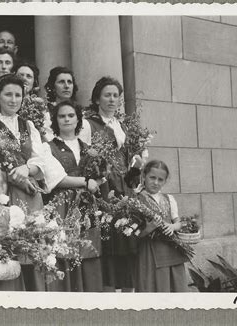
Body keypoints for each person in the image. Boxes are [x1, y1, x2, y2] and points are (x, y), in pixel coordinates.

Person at [0, 74, 67, 290]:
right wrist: (13, 175)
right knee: (6, 249)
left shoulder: (28, 125)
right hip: (1, 195)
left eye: (18, 95)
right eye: (8, 94)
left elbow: (41, 161)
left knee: (34, 249)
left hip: (30, 195)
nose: (13, 99)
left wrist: (27, 168)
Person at [78, 76, 142, 292]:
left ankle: (128, 293)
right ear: (97, 98)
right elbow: (82, 157)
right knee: (109, 240)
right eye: (107, 95)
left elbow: (129, 158)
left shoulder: (123, 126)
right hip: (103, 189)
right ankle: (108, 294)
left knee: (127, 239)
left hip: (125, 189)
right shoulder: (88, 124)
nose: (112, 99)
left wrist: (136, 165)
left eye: (116, 96)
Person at [45, 100, 104, 292]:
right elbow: (55, 179)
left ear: (78, 119)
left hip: (86, 206)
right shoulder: (48, 147)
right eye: (61, 116)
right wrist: (85, 182)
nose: (66, 119)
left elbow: (100, 177)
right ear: (55, 120)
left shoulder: (89, 147)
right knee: (65, 250)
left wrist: (97, 181)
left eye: (71, 115)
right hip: (62, 204)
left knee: (88, 248)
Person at [135, 160, 188, 292]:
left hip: (172, 250)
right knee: (153, 286)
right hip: (149, 252)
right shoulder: (136, 199)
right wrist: (149, 228)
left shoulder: (168, 198)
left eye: (160, 179)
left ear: (165, 181)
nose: (156, 182)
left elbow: (179, 223)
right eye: (152, 177)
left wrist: (172, 227)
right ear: (144, 176)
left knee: (175, 288)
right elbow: (133, 233)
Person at [15, 61, 54, 141]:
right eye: (20, 75)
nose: (24, 79)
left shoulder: (40, 106)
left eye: (28, 76)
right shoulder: (6, 103)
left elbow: (48, 136)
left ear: (34, 82)